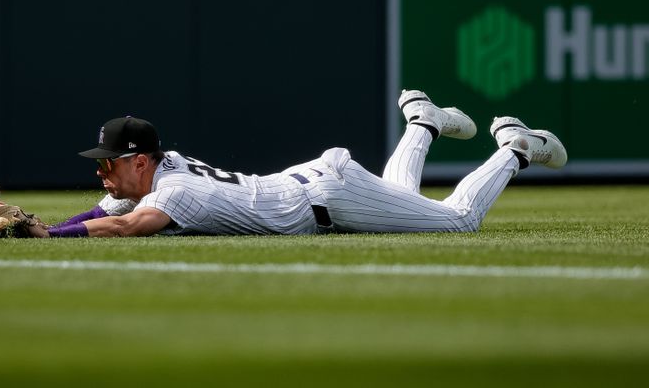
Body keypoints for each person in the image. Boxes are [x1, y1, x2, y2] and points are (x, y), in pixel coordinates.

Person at [29, 90, 567, 238]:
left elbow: (124, 224)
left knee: (458, 220)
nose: (102, 173)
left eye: (109, 163)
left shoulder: (173, 193)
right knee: (398, 195)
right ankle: (422, 122)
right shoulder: (159, 169)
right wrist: (46, 226)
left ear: (141, 161)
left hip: (327, 198)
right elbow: (108, 207)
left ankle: (514, 148)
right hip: (311, 185)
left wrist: (47, 241)